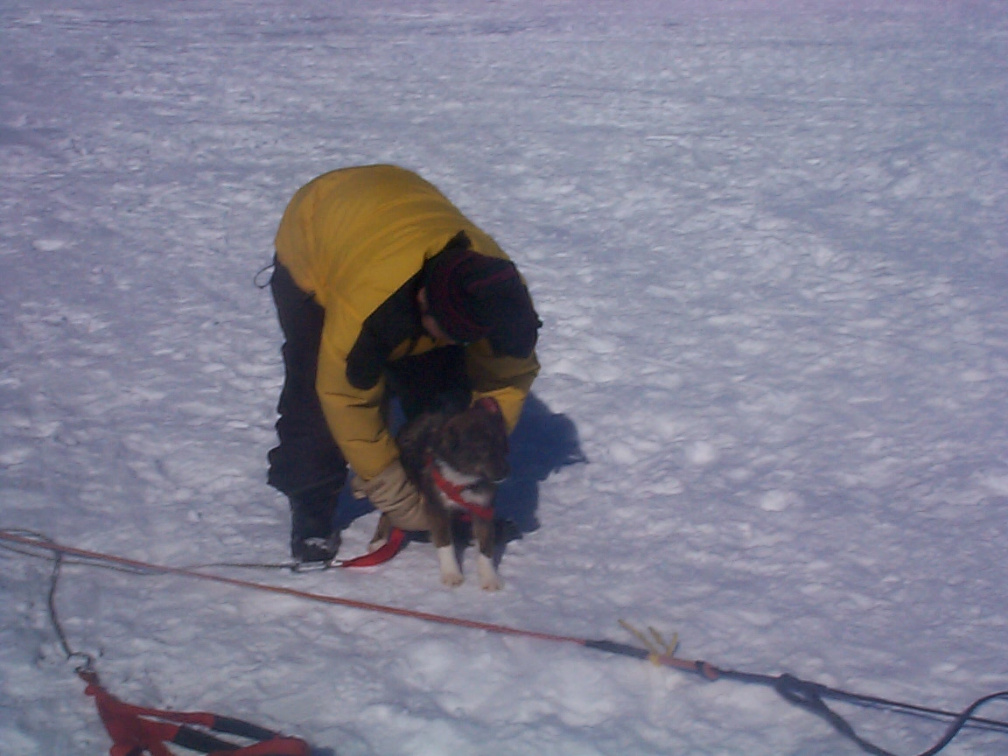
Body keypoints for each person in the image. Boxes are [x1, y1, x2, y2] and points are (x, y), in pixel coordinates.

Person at [267, 164, 541, 562]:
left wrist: (476, 439)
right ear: (424, 305)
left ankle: (442, 495)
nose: (447, 342)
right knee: (316, 398)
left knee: (443, 385)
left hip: (398, 207)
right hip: (316, 234)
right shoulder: (368, 309)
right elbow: (344, 398)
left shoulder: (499, 294)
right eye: (444, 332)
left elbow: (508, 377)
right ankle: (311, 503)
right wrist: (393, 494)